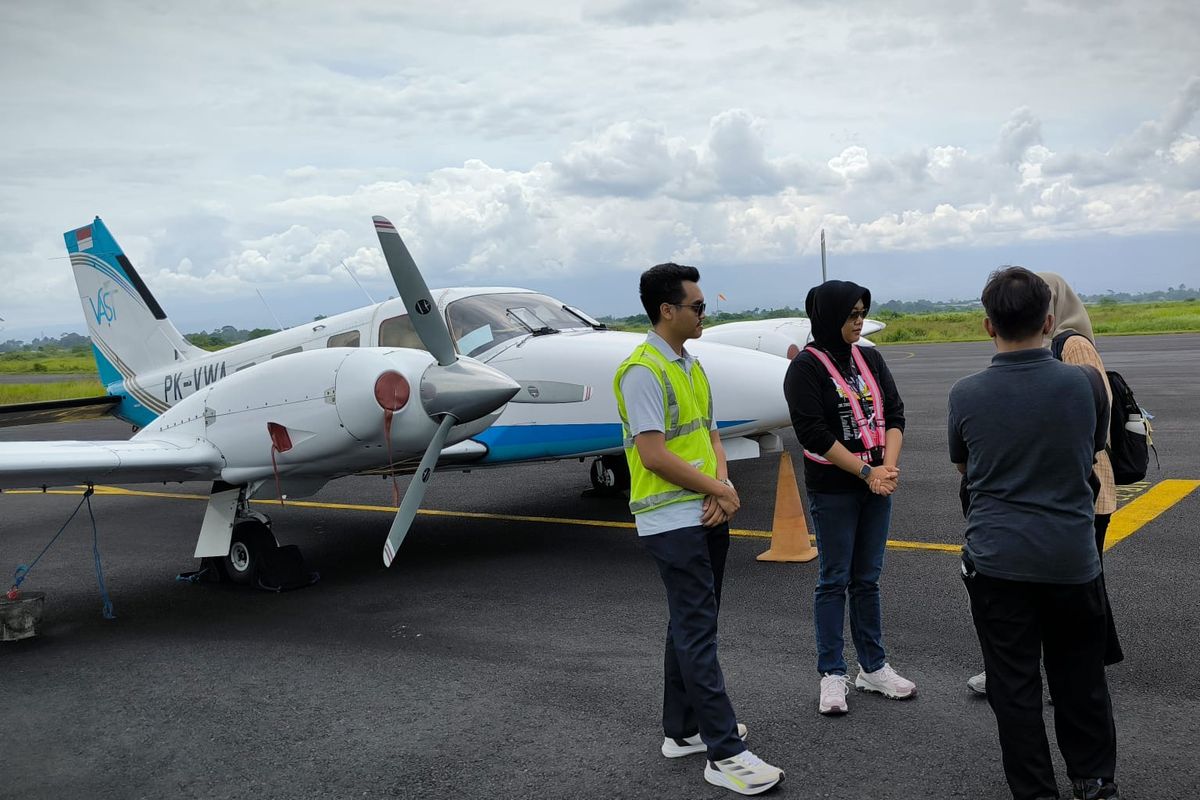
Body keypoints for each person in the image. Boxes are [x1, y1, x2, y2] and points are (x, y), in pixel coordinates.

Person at [949, 267, 1120, 800]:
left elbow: (965, 466)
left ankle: (1035, 790)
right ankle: (1094, 780)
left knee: (1014, 685)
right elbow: (1093, 446)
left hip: (997, 559)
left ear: (988, 325)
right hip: (1071, 556)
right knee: (1080, 678)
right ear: (1049, 322)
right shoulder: (1085, 383)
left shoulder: (965, 393)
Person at [613, 263, 784, 796]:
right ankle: (724, 753)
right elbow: (653, 454)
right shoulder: (642, 371)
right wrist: (716, 490)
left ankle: (683, 730)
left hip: (705, 511)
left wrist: (722, 486)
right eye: (698, 306)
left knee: (691, 625)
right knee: (697, 633)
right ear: (667, 310)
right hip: (671, 520)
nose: (704, 313)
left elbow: (710, 435)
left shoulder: (691, 366)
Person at [783, 279, 915, 716]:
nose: (859, 322)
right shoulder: (806, 367)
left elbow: (894, 413)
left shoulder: (870, 358)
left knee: (867, 579)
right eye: (851, 315)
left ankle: (873, 667)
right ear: (828, 317)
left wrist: (886, 469)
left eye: (862, 313)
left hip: (877, 483)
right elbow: (813, 433)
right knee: (834, 578)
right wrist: (866, 472)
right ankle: (832, 672)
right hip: (835, 488)